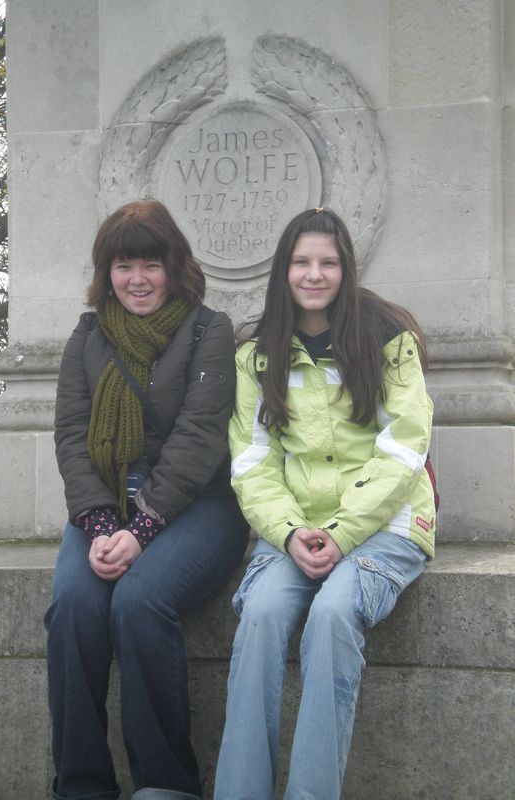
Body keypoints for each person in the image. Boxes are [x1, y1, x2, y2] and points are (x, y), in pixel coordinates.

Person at [214, 208, 436, 800]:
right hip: (295, 529)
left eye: (328, 263)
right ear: (283, 270)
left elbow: (403, 449)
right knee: (261, 616)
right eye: (302, 262)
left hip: (385, 524)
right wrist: (290, 532)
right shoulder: (256, 355)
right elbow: (253, 463)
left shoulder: (389, 340)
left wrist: (340, 533)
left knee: (334, 614)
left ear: (347, 268)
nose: (314, 275)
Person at [45, 199, 249, 800]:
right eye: (123, 265)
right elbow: (71, 436)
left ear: (174, 267)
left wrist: (141, 530)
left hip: (198, 506)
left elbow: (199, 437)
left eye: (150, 265)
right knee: (73, 608)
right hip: (104, 505)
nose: (137, 279)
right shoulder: (87, 337)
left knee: (138, 602)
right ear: (106, 271)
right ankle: (80, 785)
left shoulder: (209, 330)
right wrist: (101, 523)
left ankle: (165, 784)